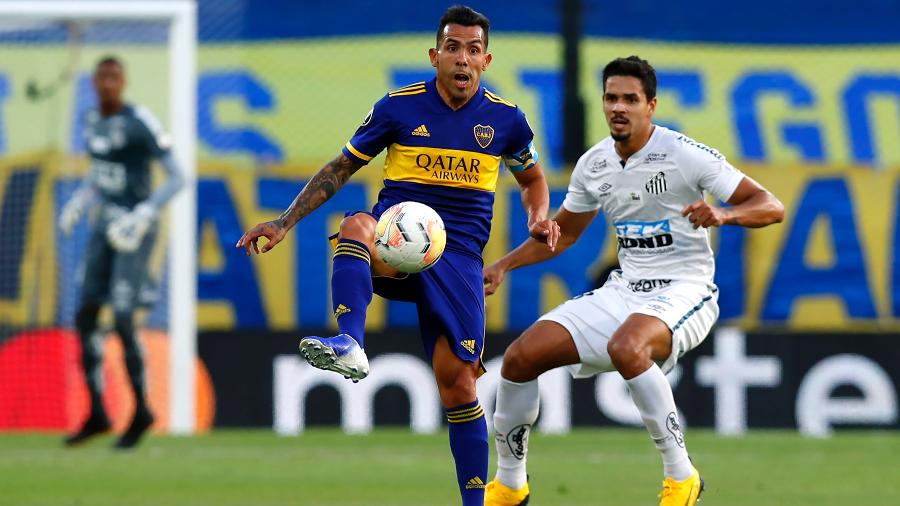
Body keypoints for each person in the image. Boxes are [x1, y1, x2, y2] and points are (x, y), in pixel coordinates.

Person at [236, 5, 557, 504]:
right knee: (356, 225)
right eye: (453, 47)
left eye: (473, 49)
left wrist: (539, 216)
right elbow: (340, 168)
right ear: (435, 55)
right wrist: (283, 222)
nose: (462, 59)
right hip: (394, 243)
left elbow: (533, 178)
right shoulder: (398, 108)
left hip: (459, 260)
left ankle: (475, 501)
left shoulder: (506, 120)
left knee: (458, 388)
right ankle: (351, 343)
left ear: (487, 59)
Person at [482, 56, 784, 506]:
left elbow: (770, 205)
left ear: (651, 105)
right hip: (625, 290)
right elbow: (564, 234)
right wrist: (504, 265)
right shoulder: (594, 164)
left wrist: (725, 213)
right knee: (521, 359)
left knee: (628, 347)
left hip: (686, 289)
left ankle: (682, 477)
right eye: (611, 97)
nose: (618, 107)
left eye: (630, 99)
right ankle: (510, 484)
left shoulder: (684, 154)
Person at [59, 56, 184, 449]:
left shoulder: (140, 120)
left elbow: (179, 176)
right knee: (85, 313)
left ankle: (142, 410)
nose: (108, 84)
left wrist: (146, 211)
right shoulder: (90, 120)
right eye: (102, 77)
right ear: (95, 82)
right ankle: (97, 411)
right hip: (103, 226)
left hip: (135, 230)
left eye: (115, 77)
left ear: (124, 81)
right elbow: (102, 170)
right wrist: (82, 197)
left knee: (125, 317)